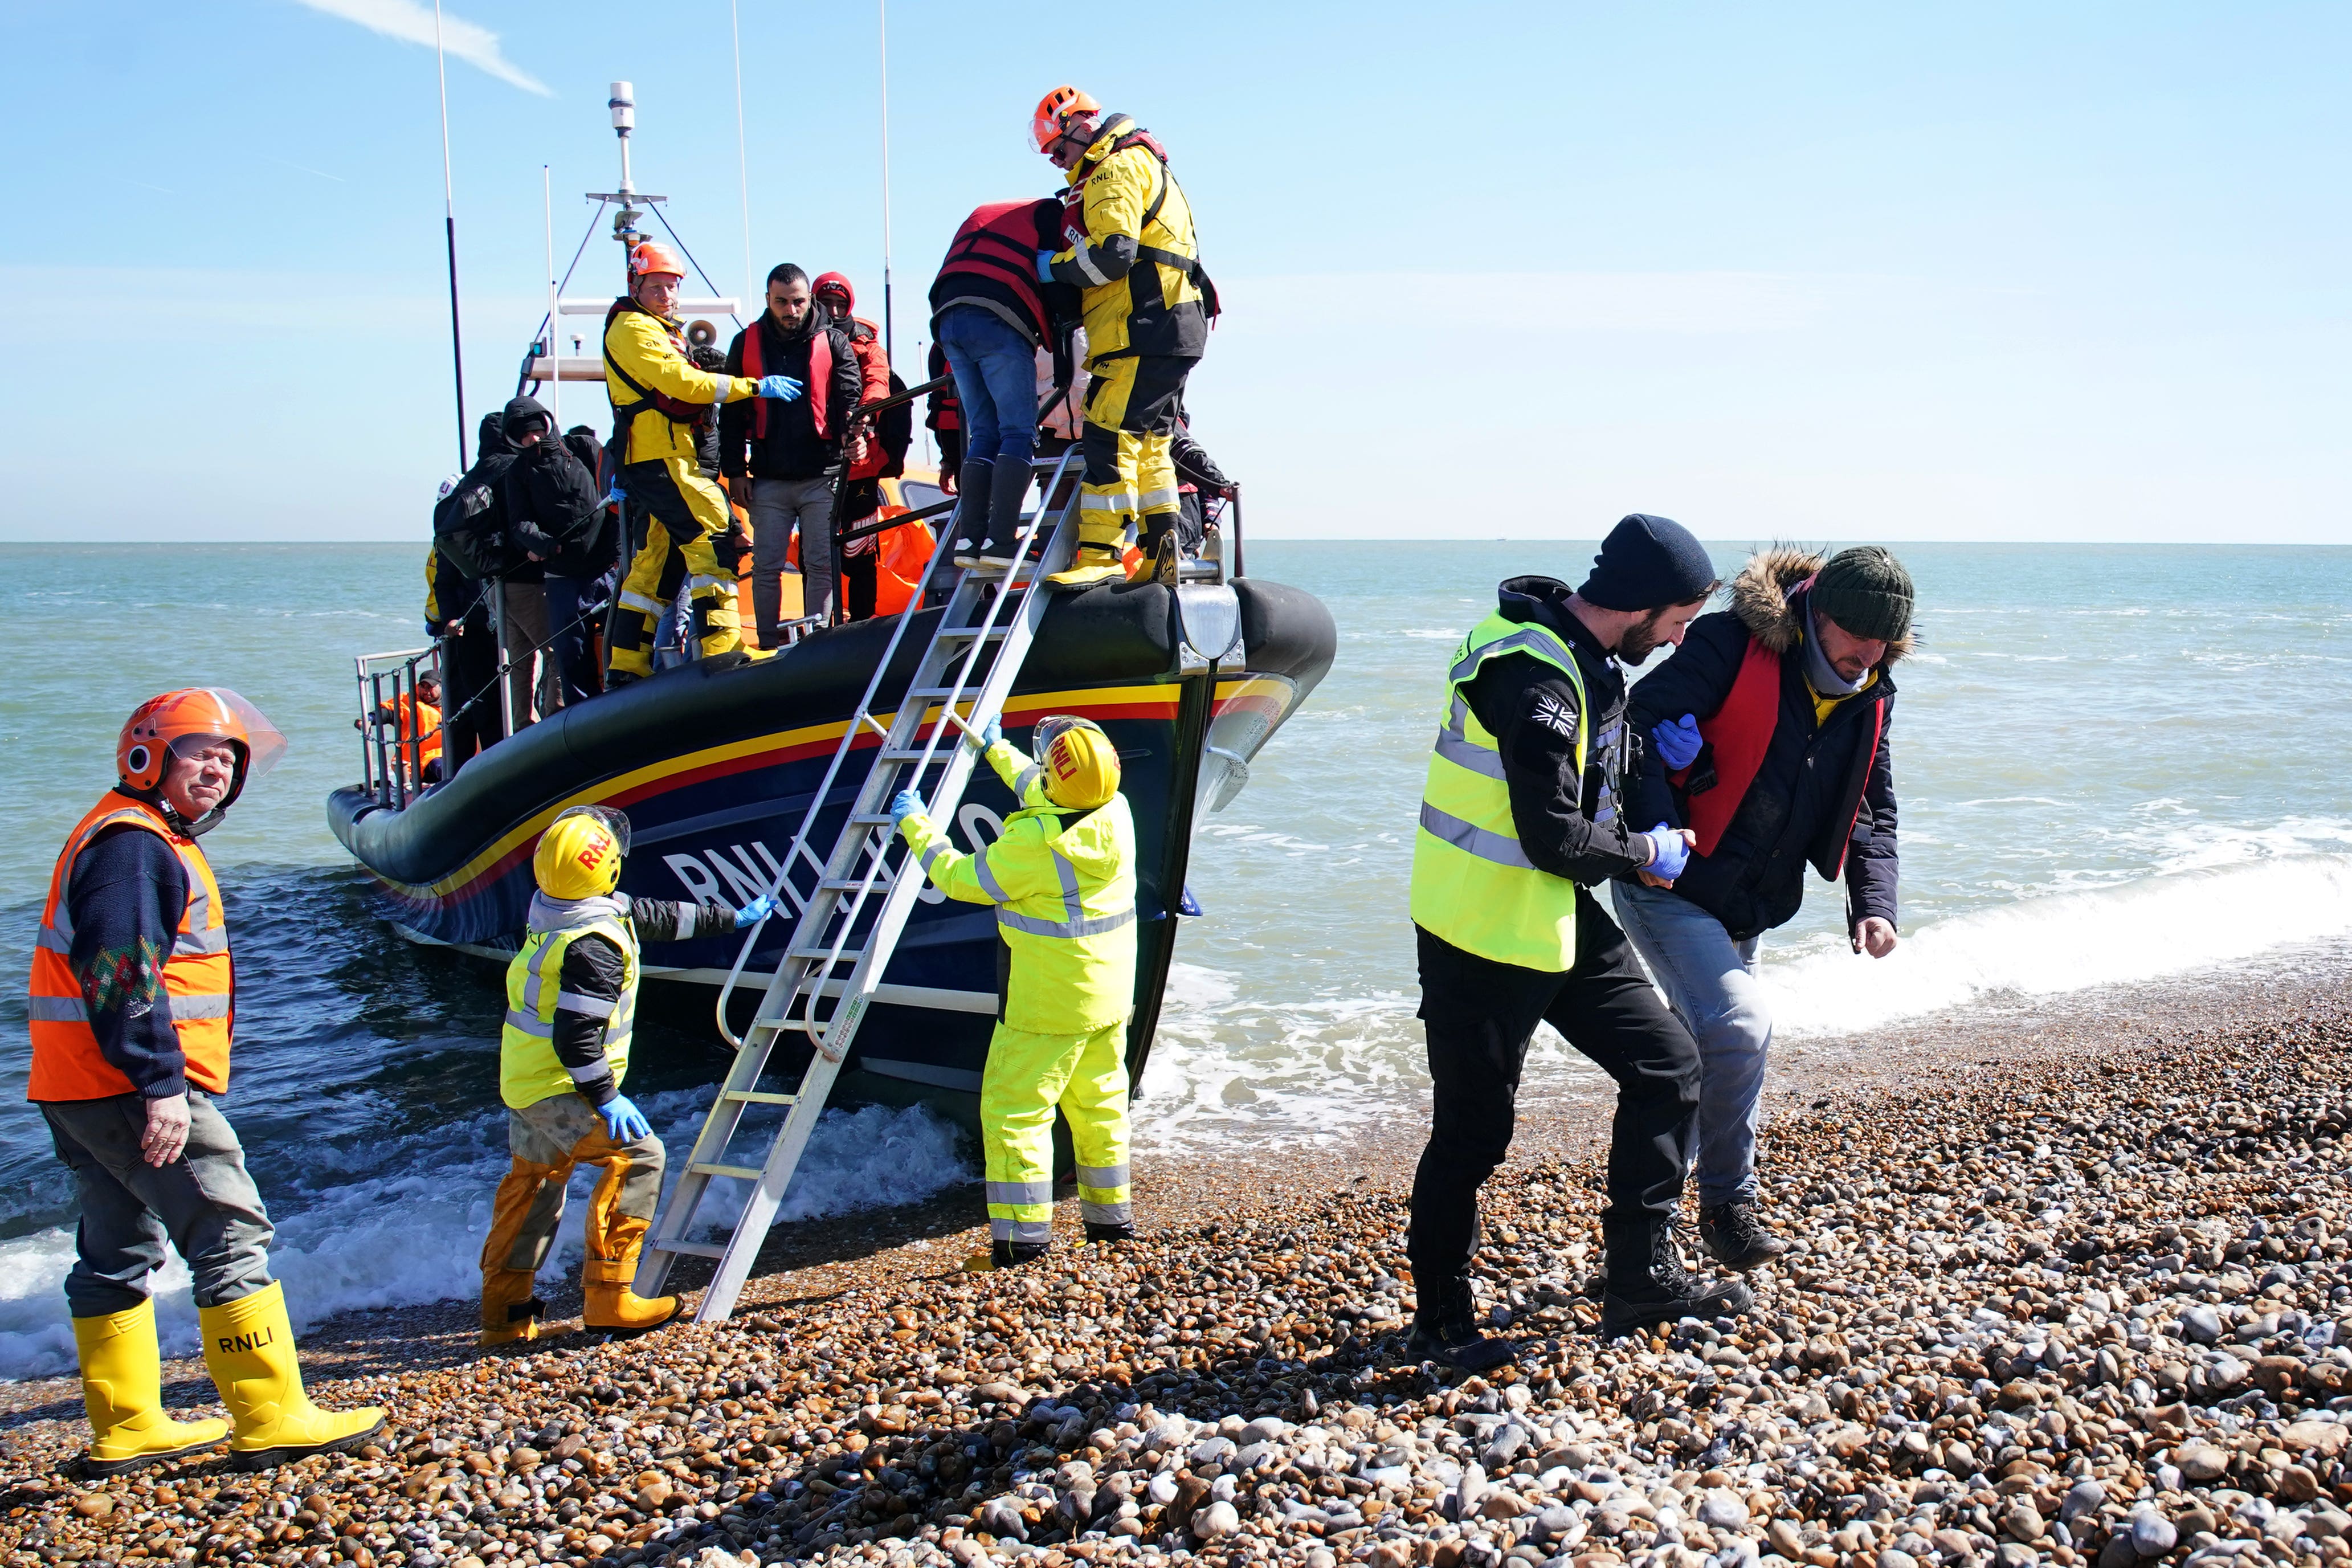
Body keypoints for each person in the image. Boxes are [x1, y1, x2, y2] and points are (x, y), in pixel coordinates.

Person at [1407, 514, 1757, 1361]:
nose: (1677, 640)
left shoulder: (1587, 660)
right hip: (1480, 926)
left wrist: (1684, 771)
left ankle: (1639, 1278)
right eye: (1678, 620)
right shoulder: (1533, 676)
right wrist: (1644, 852)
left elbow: (1603, 778)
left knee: (1668, 1065)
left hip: (1555, 916)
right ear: (1642, 604)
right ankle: (1442, 1320)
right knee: (1473, 1133)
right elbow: (1552, 835)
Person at [28, 691, 385, 1472]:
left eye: (231, 757)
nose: (220, 767)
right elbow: (118, 971)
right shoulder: (133, 845)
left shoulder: (130, 835)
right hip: (132, 1085)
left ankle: (127, 1427)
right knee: (229, 1231)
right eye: (201, 752)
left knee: (117, 1248)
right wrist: (160, 1085)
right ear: (146, 756)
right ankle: (271, 1415)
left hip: (77, 1084)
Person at [1612, 546, 1909, 1269]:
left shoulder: (1872, 688)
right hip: (1671, 886)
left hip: (1749, 904)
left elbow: (1872, 805)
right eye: (1855, 636)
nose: (1867, 655)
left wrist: (1875, 903)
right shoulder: (1727, 644)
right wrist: (1659, 823)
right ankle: (1727, 1206)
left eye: (1884, 643)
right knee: (1740, 1028)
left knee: (1698, 1053)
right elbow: (1635, 722)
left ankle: (1642, 1247)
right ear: (1816, 613)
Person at [481, 806, 777, 1345]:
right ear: (607, 868)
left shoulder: (557, 908)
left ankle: (504, 1316)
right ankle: (611, 1298)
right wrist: (606, 1096)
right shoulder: (593, 948)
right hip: (560, 1086)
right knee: (639, 1156)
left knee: (535, 1186)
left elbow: (652, 915)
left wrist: (731, 918)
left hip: (525, 1082)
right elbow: (576, 1038)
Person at [891, 716, 1137, 1268]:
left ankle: (1019, 1243)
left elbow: (958, 877)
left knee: (1016, 1115)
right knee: (1100, 1108)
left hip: (1043, 1007)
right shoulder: (1115, 812)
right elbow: (1046, 789)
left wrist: (916, 826)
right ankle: (1111, 1223)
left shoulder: (1035, 843)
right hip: (1108, 997)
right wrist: (996, 749)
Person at [1032, 87, 1215, 587]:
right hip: (1170, 325)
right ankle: (1161, 551)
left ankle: (1100, 552)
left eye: (1059, 149)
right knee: (1152, 446)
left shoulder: (1113, 170)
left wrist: (1055, 268)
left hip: (1143, 324)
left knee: (1107, 436)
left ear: (1080, 127)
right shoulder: (1143, 163)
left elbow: (1113, 256)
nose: (1055, 161)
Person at [603, 240, 801, 684]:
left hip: (662, 455)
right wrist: (753, 387)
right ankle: (723, 648)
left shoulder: (655, 328)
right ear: (637, 285)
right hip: (663, 456)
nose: (666, 295)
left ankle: (626, 664)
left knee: (654, 559)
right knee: (714, 536)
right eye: (656, 286)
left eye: (672, 287)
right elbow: (682, 384)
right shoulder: (635, 329)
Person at [718, 265, 863, 641]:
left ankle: (816, 645)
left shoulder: (833, 342)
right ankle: (766, 643)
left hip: (822, 475)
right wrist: (735, 472)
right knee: (766, 567)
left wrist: (856, 433)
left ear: (809, 300)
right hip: (768, 480)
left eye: (798, 301)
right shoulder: (744, 343)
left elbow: (850, 397)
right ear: (768, 300)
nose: (790, 310)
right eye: (781, 302)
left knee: (820, 564)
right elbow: (731, 413)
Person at [928, 197, 1073, 569]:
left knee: (984, 433)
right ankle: (1001, 542)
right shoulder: (1051, 216)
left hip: (948, 316)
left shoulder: (989, 213)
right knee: (1018, 432)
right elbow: (1058, 285)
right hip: (997, 315)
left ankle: (969, 540)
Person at [502, 397, 617, 709]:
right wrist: (544, 544)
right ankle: (582, 715)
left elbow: (614, 499)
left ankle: (629, 703)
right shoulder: (517, 474)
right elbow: (520, 523)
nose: (533, 438)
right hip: (562, 576)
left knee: (624, 640)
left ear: (547, 422)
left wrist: (618, 553)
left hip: (607, 568)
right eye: (524, 435)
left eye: (536, 430)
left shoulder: (583, 447)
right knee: (570, 652)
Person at [425, 542, 494, 771]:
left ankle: (498, 766)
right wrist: (451, 619)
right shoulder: (453, 527)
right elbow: (443, 583)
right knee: (465, 707)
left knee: (497, 706)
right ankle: (459, 776)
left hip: (504, 628)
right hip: (465, 632)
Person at [354, 670, 444, 783]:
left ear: (440, 686)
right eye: (423, 686)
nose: (426, 691)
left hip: (449, 752)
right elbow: (389, 712)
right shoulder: (409, 703)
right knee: (439, 766)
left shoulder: (452, 702)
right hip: (422, 761)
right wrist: (369, 719)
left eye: (430, 687)